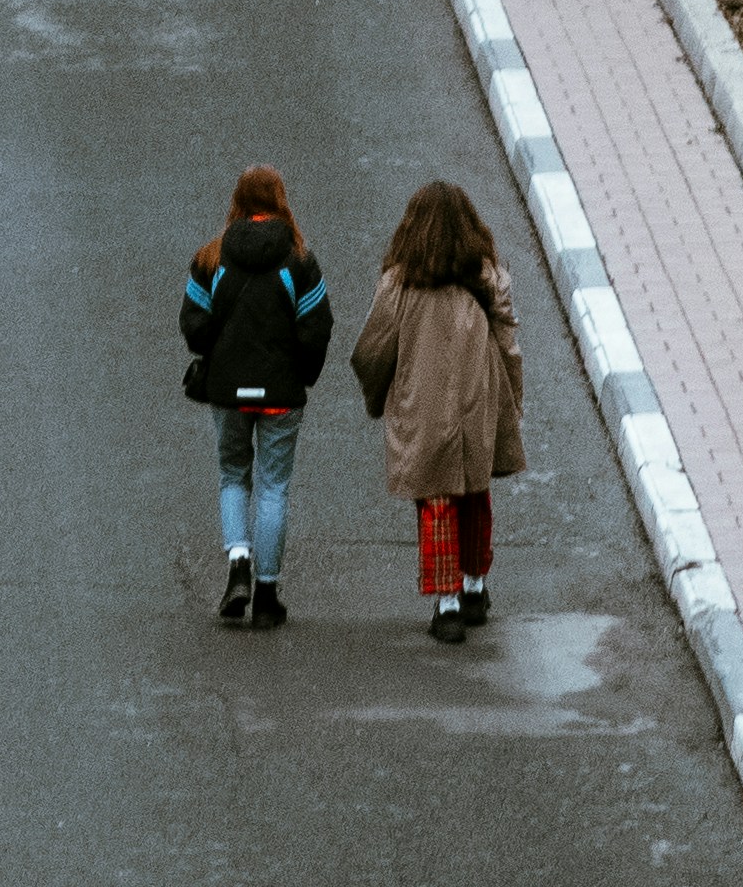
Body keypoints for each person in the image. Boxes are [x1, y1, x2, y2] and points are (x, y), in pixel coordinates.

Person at [351, 178, 527, 640]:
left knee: (436, 499)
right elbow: (508, 344)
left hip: (421, 405)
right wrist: (511, 402)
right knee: (474, 489)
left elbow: (373, 351)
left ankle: (446, 606)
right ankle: (475, 586)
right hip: (477, 399)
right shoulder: (488, 276)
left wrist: (378, 397)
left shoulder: (400, 282)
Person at [180, 165, 332, 627]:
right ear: (280, 201)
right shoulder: (300, 260)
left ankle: (238, 562)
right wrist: (300, 377)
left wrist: (219, 359)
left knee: (233, 474)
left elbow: (193, 323)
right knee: (273, 485)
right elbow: (317, 327)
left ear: (238, 202)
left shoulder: (211, 258)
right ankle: (267, 594)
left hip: (228, 393)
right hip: (280, 396)